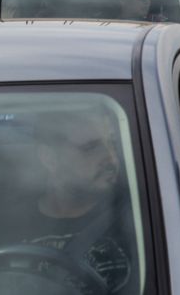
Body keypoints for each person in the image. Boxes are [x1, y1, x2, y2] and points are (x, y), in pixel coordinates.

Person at [23, 107, 132, 294]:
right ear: (50, 159)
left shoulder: (138, 215)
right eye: (90, 147)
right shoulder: (11, 222)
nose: (111, 158)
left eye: (113, 143)